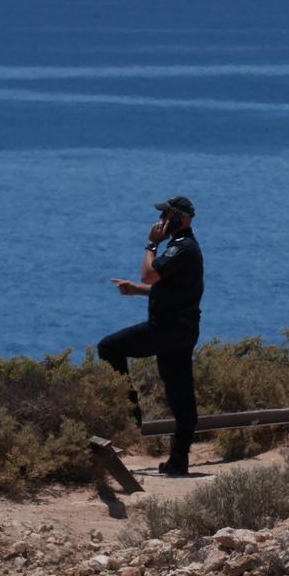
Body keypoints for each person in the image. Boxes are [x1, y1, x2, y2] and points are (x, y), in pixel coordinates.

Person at [98, 196, 204, 476]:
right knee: (179, 393)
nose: (160, 222)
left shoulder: (180, 248)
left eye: (166, 216)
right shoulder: (184, 248)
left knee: (109, 348)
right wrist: (136, 290)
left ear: (179, 219)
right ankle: (179, 461)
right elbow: (165, 288)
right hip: (181, 331)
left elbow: (149, 274)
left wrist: (151, 244)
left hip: (166, 329)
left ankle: (131, 416)